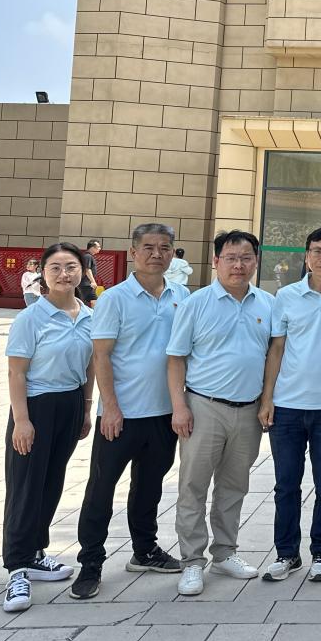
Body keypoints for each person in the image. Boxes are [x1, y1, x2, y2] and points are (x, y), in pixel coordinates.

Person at [70, 224, 188, 600]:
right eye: (148, 247)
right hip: (120, 415)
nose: (157, 254)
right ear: (134, 252)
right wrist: (110, 408)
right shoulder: (115, 299)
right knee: (101, 489)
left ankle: (145, 550)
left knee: (149, 487)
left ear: (172, 253)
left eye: (164, 248)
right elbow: (101, 355)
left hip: (164, 413)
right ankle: (90, 563)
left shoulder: (182, 296)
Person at [165, 230, 275, 596]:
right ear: (216, 261)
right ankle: (192, 561)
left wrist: (266, 401)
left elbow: (273, 356)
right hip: (204, 407)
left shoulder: (267, 304)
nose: (238, 265)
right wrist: (179, 407)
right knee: (193, 486)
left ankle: (225, 552)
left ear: (256, 261)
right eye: (231, 257)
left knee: (234, 486)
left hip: (248, 411)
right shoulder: (196, 303)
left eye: (246, 257)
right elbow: (176, 358)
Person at [258, 227, 321, 584]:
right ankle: (287, 553)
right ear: (306, 256)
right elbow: (277, 349)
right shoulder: (286, 296)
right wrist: (267, 398)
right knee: (286, 485)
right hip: (287, 406)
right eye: (317, 251)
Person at [1, 242, 94, 613]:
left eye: (71, 267)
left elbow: (90, 367)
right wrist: (22, 420)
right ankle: (16, 568)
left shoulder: (88, 316)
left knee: (51, 482)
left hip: (70, 404)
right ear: (43, 273)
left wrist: (86, 409)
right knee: (25, 486)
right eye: (55, 267)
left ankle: (36, 553)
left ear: (82, 271)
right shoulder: (31, 318)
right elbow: (16, 372)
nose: (64, 274)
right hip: (36, 406)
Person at [77, 239, 102, 307]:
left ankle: (94, 313)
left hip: (87, 285)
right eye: (98, 247)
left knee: (94, 301)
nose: (100, 248)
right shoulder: (88, 256)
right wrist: (93, 281)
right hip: (85, 285)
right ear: (92, 248)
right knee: (80, 302)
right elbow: (87, 269)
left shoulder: (88, 256)